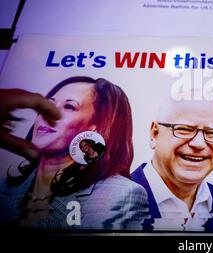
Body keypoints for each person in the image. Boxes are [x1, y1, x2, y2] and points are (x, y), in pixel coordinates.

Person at [0, 77, 149, 229]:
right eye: (48, 105)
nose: (47, 114)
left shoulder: (120, 194)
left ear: (95, 127)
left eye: (69, 107)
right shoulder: (3, 187)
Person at [131, 92, 213, 232]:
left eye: (212, 132)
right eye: (184, 129)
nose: (199, 144)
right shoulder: (110, 201)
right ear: (155, 134)